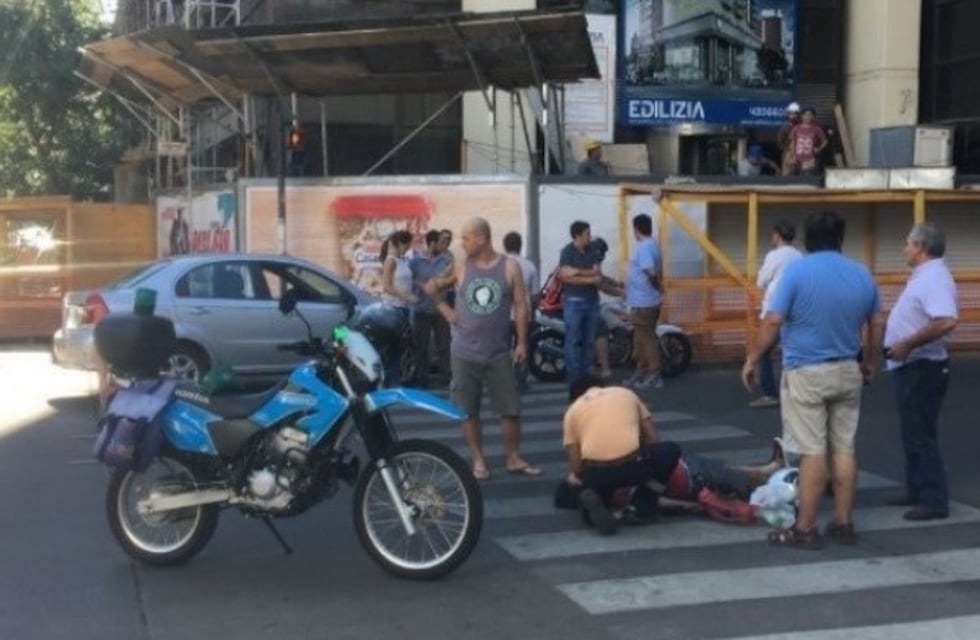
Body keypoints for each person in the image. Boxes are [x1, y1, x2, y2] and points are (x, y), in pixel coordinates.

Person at [742, 210, 883, 550]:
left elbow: (774, 320)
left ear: (807, 239)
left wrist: (753, 357)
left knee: (812, 451)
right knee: (844, 448)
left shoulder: (796, 272)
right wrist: (871, 361)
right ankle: (843, 521)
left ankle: (805, 528)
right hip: (848, 368)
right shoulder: (862, 274)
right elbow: (877, 323)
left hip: (806, 371)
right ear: (841, 238)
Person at [561, 375, 786, 535]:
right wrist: (641, 459)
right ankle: (641, 507)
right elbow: (653, 438)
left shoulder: (573, 411)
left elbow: (576, 464)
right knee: (669, 452)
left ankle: (594, 510)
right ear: (601, 386)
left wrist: (581, 477)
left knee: (590, 484)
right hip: (640, 471)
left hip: (598, 476)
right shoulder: (624, 393)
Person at [424, 217, 540, 480]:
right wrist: (446, 311)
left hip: (499, 352)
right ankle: (479, 461)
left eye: (465, 238)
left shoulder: (510, 267)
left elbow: (521, 305)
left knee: (510, 409)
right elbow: (433, 288)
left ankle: (513, 457)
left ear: (481, 238)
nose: (461, 243)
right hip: (464, 353)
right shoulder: (459, 267)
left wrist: (521, 342)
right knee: (468, 410)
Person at [883, 222, 958, 521]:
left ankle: (933, 498)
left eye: (908, 243)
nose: (904, 248)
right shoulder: (925, 275)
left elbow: (945, 320)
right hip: (911, 365)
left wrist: (908, 344)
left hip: (921, 366)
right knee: (912, 430)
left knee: (920, 433)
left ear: (921, 247)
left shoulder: (935, 278)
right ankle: (916, 488)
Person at [750, 219, 803, 408]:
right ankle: (795, 391)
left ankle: (769, 393)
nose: (772, 237)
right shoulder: (799, 256)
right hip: (794, 309)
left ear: (778, 235)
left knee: (763, 350)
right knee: (790, 350)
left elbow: (761, 280)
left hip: (773, 308)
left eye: (773, 234)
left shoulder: (774, 256)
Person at [559, 221, 603, 386]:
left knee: (589, 341)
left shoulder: (593, 250)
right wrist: (590, 278)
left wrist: (577, 271)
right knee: (573, 341)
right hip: (573, 303)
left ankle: (585, 376)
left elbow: (598, 273)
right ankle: (574, 378)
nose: (589, 237)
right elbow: (565, 276)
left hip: (592, 302)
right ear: (577, 235)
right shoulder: (567, 252)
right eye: (587, 234)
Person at [409, 229, 453, 387]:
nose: (444, 245)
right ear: (432, 243)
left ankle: (446, 378)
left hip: (441, 310)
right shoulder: (415, 261)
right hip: (422, 310)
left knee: (444, 346)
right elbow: (410, 280)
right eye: (441, 242)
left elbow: (451, 280)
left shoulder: (446, 260)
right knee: (421, 347)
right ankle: (422, 378)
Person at [625, 214, 664, 389]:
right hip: (643, 300)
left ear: (636, 229)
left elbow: (650, 271)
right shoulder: (653, 244)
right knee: (639, 339)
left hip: (644, 301)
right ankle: (641, 371)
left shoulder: (644, 247)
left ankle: (654, 374)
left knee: (646, 339)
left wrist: (657, 287)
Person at [504, 231, 540, 392]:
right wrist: (533, 310)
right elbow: (535, 295)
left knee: (504, 347)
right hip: (524, 314)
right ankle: (521, 379)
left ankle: (504, 379)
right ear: (520, 245)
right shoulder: (529, 266)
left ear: (505, 246)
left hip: (503, 315)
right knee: (523, 344)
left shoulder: (501, 265)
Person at [379, 230, 416, 385]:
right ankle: (390, 380)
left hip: (404, 308)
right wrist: (406, 296)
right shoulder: (390, 260)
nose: (408, 249)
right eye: (407, 245)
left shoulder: (401, 261)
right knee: (392, 347)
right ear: (401, 243)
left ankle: (397, 378)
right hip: (393, 308)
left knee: (400, 346)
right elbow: (387, 287)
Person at [789, 108, 828, 176]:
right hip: (797, 159)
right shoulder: (796, 128)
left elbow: (825, 141)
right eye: (806, 115)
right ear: (802, 116)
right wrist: (793, 156)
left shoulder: (816, 128)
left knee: (807, 178)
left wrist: (818, 149)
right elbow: (792, 143)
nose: (808, 117)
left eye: (810, 115)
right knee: (795, 179)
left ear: (813, 117)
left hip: (809, 159)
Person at [777, 102, 801, 175]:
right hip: (788, 153)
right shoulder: (785, 126)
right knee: (787, 174)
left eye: (795, 113)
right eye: (791, 113)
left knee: (799, 173)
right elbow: (780, 141)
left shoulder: (801, 125)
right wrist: (787, 149)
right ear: (788, 114)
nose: (793, 115)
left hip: (800, 153)